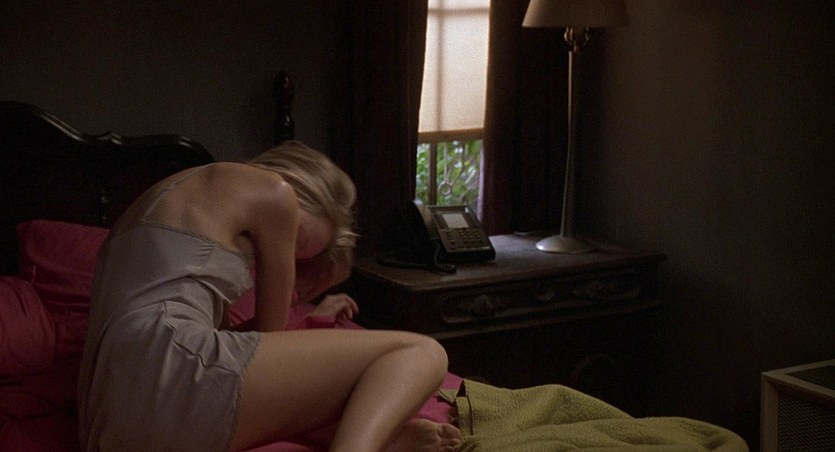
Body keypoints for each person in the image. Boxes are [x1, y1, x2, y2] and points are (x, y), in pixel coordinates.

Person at [77, 141, 461, 452]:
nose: (282, 255)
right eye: (294, 240)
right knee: (423, 352)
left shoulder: (158, 204)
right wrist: (317, 293)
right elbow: (268, 338)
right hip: (172, 380)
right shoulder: (275, 193)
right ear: (298, 187)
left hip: (105, 419)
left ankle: (383, 440)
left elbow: (231, 350)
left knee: (353, 396)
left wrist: (309, 311)